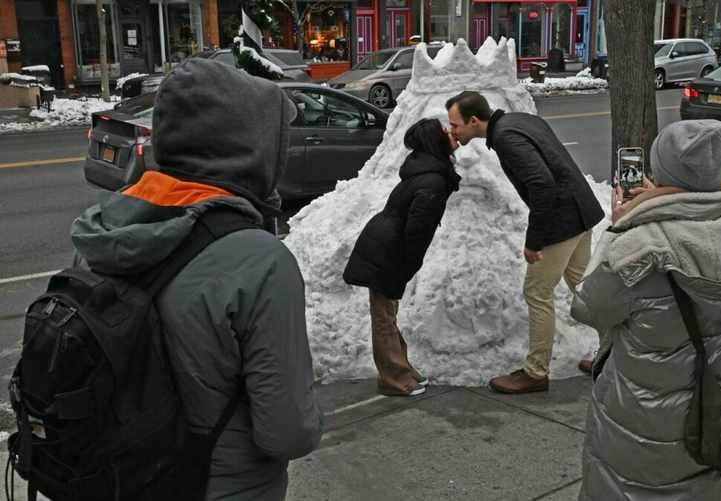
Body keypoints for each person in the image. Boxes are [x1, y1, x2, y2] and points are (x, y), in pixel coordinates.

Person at [70, 58, 322, 500]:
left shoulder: (102, 230)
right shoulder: (261, 262)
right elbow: (288, 434)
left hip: (116, 478)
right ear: (250, 148)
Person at [572, 120, 721, 500]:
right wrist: (665, 200)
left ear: (660, 170)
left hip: (639, 417)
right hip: (712, 411)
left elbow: (587, 306)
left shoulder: (640, 243)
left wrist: (622, 225)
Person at [445, 91, 605, 394]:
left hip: (563, 221)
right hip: (581, 210)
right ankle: (615, 355)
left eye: (455, 125)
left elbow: (542, 184)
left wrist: (535, 241)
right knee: (585, 289)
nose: (452, 131)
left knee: (537, 292)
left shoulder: (506, 137)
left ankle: (535, 372)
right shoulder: (519, 120)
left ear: (474, 121)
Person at [343, 118, 461, 397]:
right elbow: (417, 231)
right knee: (383, 316)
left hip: (386, 244)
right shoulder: (432, 180)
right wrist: (409, 264)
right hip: (386, 250)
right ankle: (393, 379)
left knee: (387, 313)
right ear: (436, 142)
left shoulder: (428, 172)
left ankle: (401, 369)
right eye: (445, 130)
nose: (450, 133)